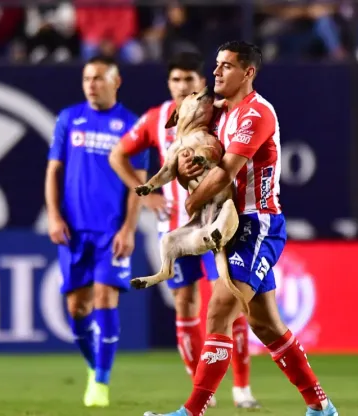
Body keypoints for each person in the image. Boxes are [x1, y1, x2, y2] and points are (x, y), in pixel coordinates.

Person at [143, 41, 339, 416]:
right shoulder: (221, 113)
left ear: (248, 73)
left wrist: (192, 198)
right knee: (266, 325)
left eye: (226, 66)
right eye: (216, 65)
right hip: (230, 224)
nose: (216, 72)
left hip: (256, 223)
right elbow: (198, 154)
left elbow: (225, 172)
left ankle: (192, 410)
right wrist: (184, 166)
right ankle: (321, 407)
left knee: (217, 312)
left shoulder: (255, 114)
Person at [109, 51, 261, 409]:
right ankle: (201, 392)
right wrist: (144, 194)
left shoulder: (221, 113)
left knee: (227, 302)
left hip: (216, 219)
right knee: (185, 305)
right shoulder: (155, 118)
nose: (182, 86)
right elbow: (118, 155)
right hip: (176, 225)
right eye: (176, 80)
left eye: (189, 80)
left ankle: (242, 388)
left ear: (201, 84)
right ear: (168, 83)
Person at [44, 55, 149, 408]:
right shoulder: (69, 118)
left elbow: (139, 184)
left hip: (110, 232)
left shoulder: (131, 125)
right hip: (73, 230)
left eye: (99, 78)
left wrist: (129, 229)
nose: (91, 84)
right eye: (87, 78)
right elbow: (53, 171)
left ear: (115, 82)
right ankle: (94, 367)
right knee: (77, 310)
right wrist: (54, 216)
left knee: (105, 298)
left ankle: (101, 382)